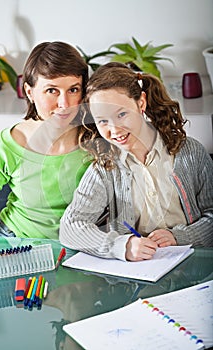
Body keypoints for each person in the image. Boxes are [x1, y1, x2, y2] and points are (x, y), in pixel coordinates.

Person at [60, 62, 213, 261]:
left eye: (122, 114)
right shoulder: (105, 166)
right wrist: (121, 246)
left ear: (141, 103)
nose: (114, 130)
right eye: (102, 120)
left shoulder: (190, 152)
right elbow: (70, 226)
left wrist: (180, 236)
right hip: (138, 271)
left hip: (193, 262)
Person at [0, 41, 91, 239]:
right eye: (51, 90)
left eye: (73, 90)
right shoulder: (7, 144)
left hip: (81, 246)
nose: (64, 104)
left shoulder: (96, 139)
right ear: (29, 92)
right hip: (14, 240)